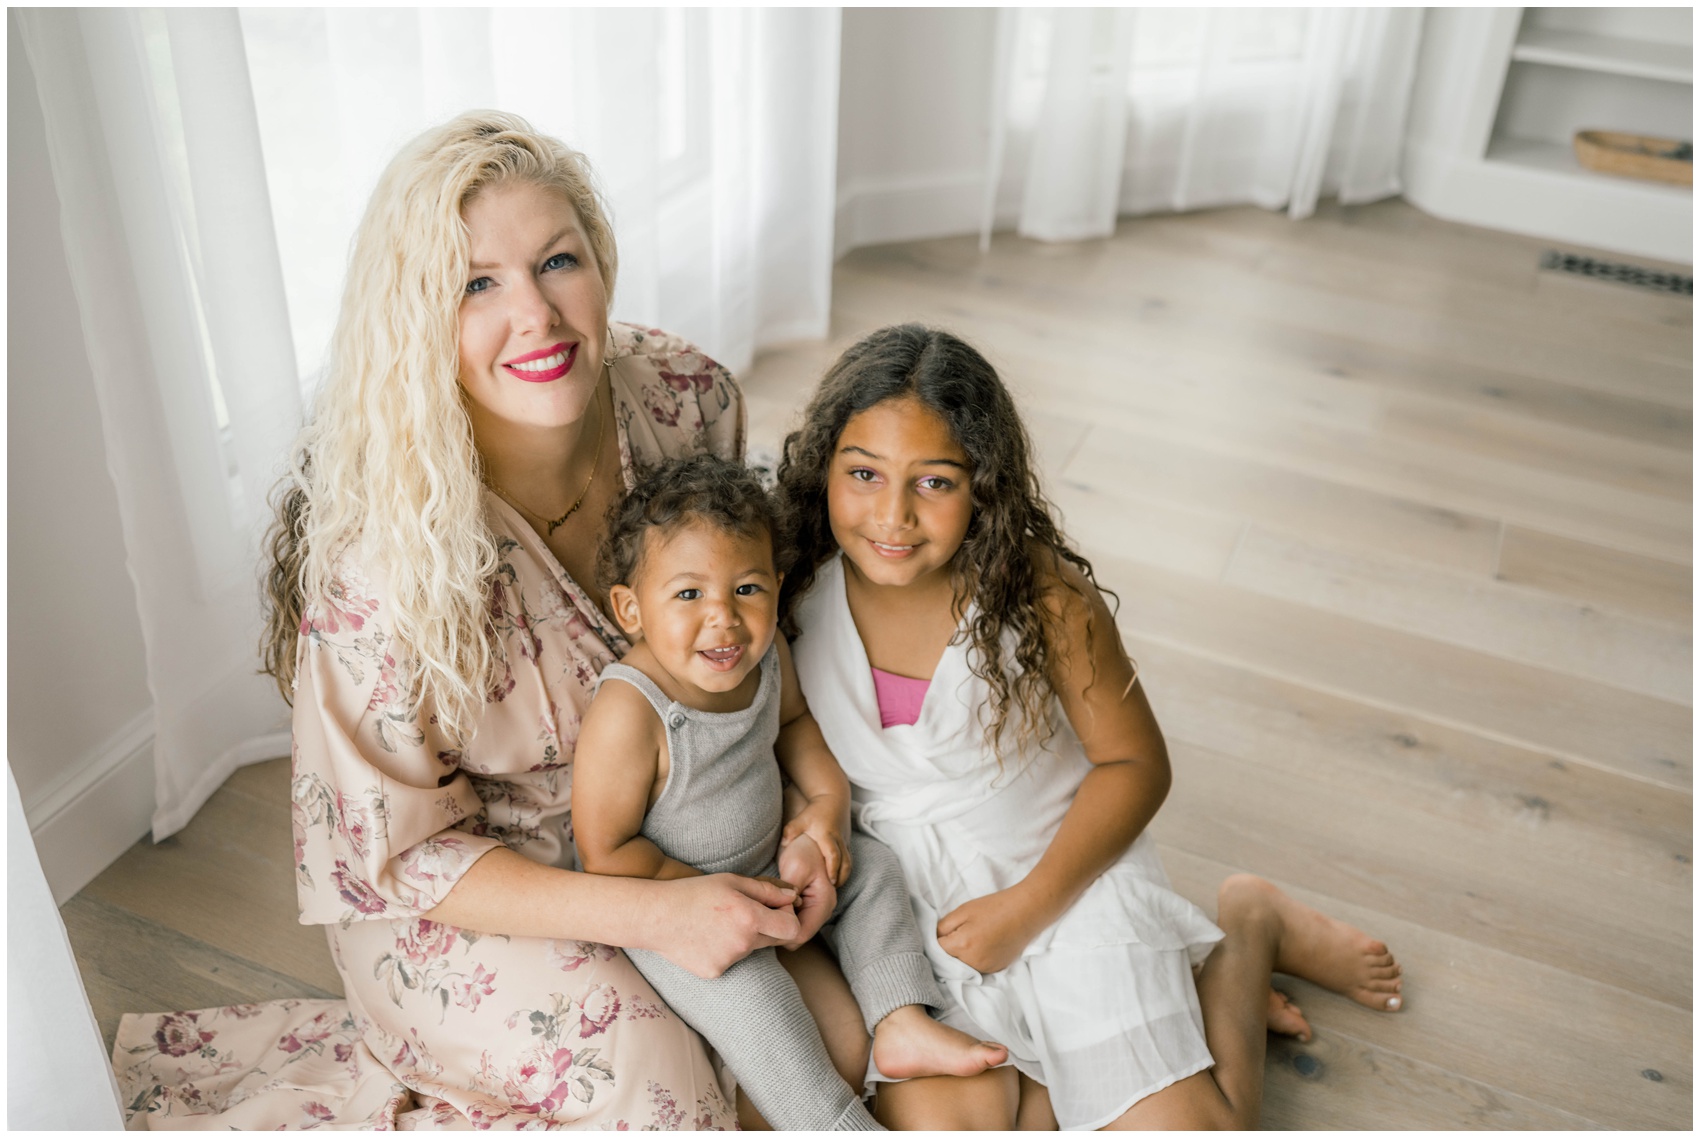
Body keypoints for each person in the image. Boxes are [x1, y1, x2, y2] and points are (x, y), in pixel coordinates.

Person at [111, 114, 945, 1129]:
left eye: (558, 261)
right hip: (478, 889)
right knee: (666, 1089)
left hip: (689, 826)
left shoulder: (685, 401)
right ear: (418, 315)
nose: (536, 316)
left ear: (601, 263)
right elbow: (407, 857)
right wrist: (656, 910)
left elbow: (765, 626)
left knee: (859, 1040)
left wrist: (811, 812)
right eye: (476, 285)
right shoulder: (380, 561)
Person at [775, 324, 1406, 1130]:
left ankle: (1251, 924)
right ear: (823, 466)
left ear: (985, 487)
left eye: (934, 483)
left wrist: (1029, 906)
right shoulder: (789, 581)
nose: (892, 515)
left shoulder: (1039, 593)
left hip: (1066, 881)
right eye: (863, 474)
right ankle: (1068, 1079)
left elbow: (1137, 765)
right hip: (906, 915)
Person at [573, 454, 1007, 1130]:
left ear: (776, 587)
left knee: (875, 868)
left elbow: (797, 726)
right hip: (675, 907)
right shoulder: (633, 711)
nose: (723, 619)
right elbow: (605, 853)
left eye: (746, 589)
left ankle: (901, 1019)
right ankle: (831, 1123)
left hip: (768, 869)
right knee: (758, 1005)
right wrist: (700, 896)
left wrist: (825, 814)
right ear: (630, 608)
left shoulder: (765, 650)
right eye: (688, 595)